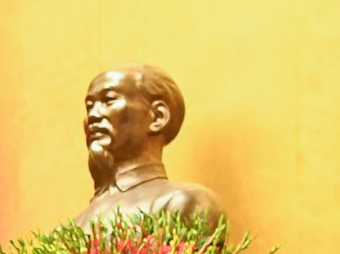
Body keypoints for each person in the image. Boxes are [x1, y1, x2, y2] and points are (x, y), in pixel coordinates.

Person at [75, 65, 227, 227]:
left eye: (108, 100)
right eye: (89, 106)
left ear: (158, 117)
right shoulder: (68, 231)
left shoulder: (184, 203)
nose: (92, 115)